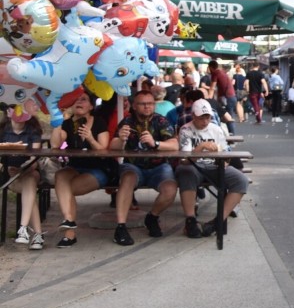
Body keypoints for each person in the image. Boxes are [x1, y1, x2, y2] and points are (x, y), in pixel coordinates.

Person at [109, 90, 180, 245]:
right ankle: (121, 226)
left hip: (159, 167)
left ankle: (152, 217)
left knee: (170, 189)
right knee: (127, 179)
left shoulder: (161, 121)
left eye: (150, 104)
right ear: (134, 106)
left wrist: (156, 143)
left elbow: (174, 144)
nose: (147, 107)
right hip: (133, 166)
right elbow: (112, 146)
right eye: (143, 104)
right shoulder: (127, 121)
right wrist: (121, 139)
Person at [175, 99, 249, 237]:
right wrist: (201, 147)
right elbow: (185, 160)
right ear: (194, 116)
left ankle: (218, 221)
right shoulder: (186, 129)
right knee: (186, 172)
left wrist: (222, 159)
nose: (205, 121)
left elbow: (226, 154)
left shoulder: (216, 129)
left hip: (214, 166)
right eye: (201, 117)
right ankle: (190, 220)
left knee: (241, 180)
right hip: (194, 166)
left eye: (207, 117)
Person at [52, 91, 115, 248]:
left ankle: (69, 234)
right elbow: (55, 144)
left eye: (84, 100)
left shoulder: (99, 122)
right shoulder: (68, 123)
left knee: (66, 189)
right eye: (76, 100)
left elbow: (103, 149)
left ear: (91, 106)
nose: (79, 102)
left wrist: (90, 138)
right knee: (60, 175)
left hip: (97, 168)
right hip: (75, 166)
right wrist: (59, 120)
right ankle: (69, 220)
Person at [2, 105, 44, 250]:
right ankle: (37, 234)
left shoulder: (33, 131)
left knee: (30, 179)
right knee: (30, 191)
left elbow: (34, 160)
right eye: (17, 109)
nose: (20, 113)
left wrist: (22, 169)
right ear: (8, 112)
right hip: (9, 176)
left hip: (30, 171)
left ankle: (23, 229)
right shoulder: (2, 131)